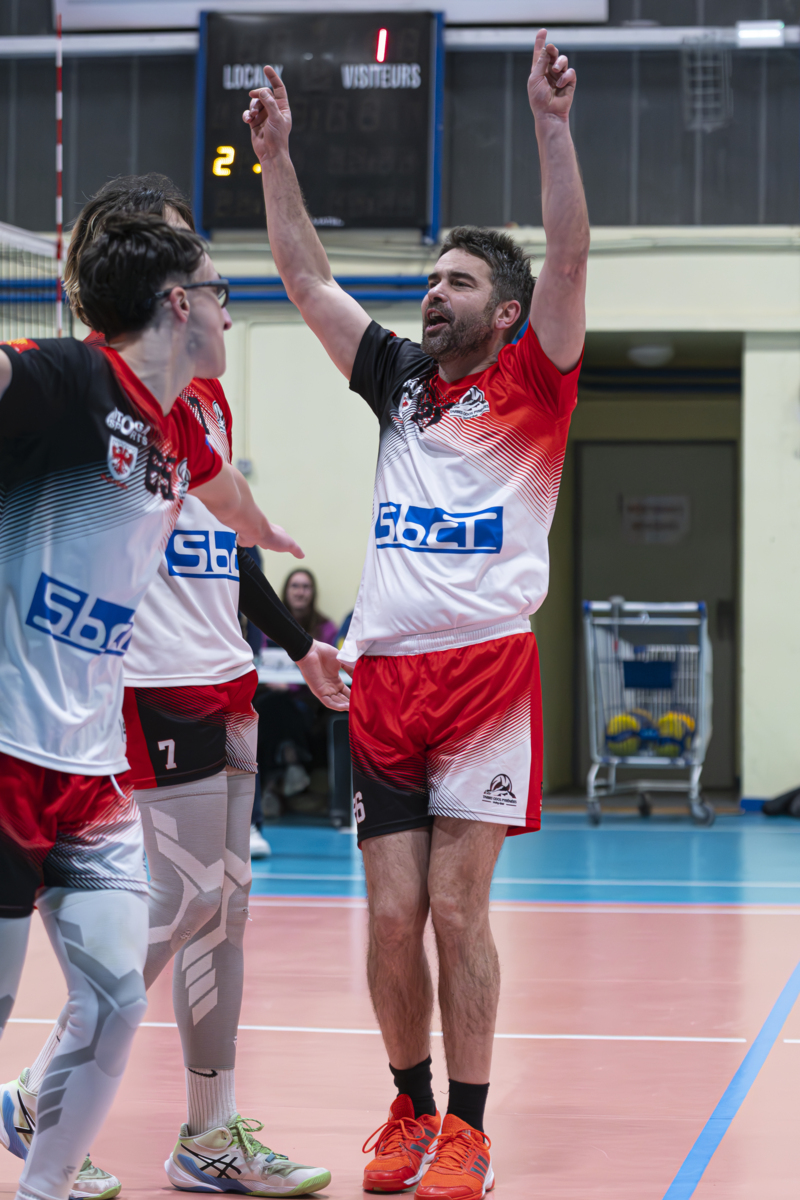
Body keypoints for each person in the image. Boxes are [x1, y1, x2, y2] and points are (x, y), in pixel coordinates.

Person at [244, 27, 588, 1198]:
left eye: (457, 283)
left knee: (453, 908)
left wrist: (549, 127)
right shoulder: (396, 381)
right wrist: (276, 159)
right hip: (384, 678)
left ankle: (470, 1131)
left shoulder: (534, 380)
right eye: (430, 280)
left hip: (484, 674)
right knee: (390, 918)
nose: (433, 294)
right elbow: (306, 282)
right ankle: (407, 1107)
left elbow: (570, 253)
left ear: (506, 311)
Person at [0, 178, 341, 1198]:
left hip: (114, 750)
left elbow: (226, 509)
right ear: (174, 299)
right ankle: (41, 1106)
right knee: (171, 908)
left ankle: (96, 1165)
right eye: (214, 283)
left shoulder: (184, 421)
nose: (228, 304)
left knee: (145, 972)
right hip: (47, 733)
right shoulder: (69, 381)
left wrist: (276, 573)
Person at [256, 569, 339, 811]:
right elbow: (260, 660)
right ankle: (291, 762)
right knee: (271, 704)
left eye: (305, 586)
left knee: (273, 707)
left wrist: (290, 685)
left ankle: (272, 786)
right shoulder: (268, 624)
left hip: (309, 704)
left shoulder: (326, 629)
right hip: (273, 696)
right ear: (286, 591)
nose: (300, 592)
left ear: (312, 593)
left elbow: (328, 669)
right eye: (295, 586)